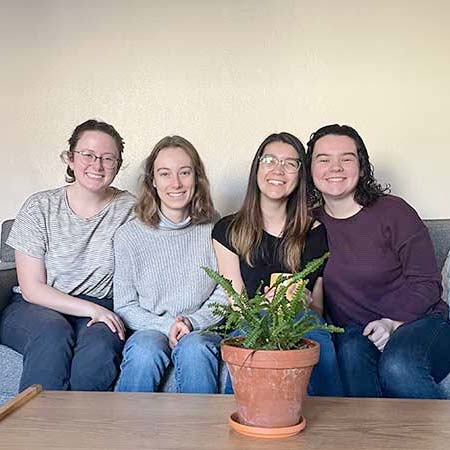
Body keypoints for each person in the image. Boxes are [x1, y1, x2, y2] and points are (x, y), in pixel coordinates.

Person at [306, 123, 450, 399]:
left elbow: (427, 284)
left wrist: (392, 322)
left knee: (398, 365)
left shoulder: (394, 212)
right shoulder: (309, 225)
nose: (334, 167)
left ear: (361, 166)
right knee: (348, 354)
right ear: (310, 170)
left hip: (421, 323)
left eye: (346, 158)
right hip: (356, 333)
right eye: (323, 159)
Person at [0, 119, 135, 392]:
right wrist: (91, 309)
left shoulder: (131, 209)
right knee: (52, 332)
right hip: (36, 306)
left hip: (101, 305)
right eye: (88, 155)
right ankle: (37, 431)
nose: (97, 165)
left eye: (108, 158)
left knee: (99, 346)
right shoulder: (40, 207)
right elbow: (32, 288)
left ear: (117, 166)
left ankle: (82, 432)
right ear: (70, 159)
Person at [212, 132, 344, 396]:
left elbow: (318, 308)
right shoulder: (227, 229)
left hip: (300, 321)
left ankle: (334, 426)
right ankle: (240, 416)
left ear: (299, 175)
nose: (278, 169)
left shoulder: (314, 231)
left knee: (316, 331)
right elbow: (237, 306)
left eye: (290, 163)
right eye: (270, 159)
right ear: (257, 167)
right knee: (254, 326)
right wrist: (266, 303)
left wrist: (301, 299)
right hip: (250, 321)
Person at [114, 136, 227, 393]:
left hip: (200, 327)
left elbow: (224, 291)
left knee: (195, 349)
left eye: (184, 173)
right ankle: (128, 433)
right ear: (153, 181)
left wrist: (191, 322)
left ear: (196, 178)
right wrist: (168, 326)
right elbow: (124, 304)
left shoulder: (215, 228)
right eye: (165, 174)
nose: (175, 183)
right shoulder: (128, 236)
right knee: (144, 351)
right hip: (149, 328)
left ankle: (200, 433)